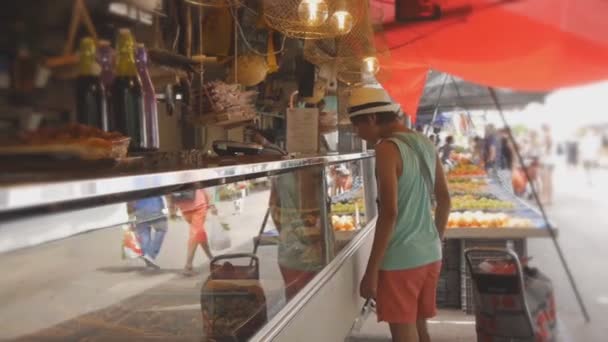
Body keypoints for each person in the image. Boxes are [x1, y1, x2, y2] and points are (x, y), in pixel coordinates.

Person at [348, 86, 451, 342]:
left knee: (404, 335)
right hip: (430, 254)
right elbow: (446, 200)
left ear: (372, 118)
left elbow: (390, 212)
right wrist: (432, 240)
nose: (356, 132)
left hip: (400, 261)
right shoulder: (425, 142)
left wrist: (371, 270)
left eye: (356, 125)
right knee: (420, 328)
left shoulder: (386, 149)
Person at [173, 189, 214, 275]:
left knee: (195, 233)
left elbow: (203, 185)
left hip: (198, 205)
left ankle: (188, 265)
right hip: (185, 208)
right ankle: (212, 259)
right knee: (199, 233)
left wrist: (211, 203)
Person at [129, 196, 169, 269]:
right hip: (155, 208)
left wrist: (130, 216)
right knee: (161, 229)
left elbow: (129, 199)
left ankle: (147, 257)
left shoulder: (133, 184)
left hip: (139, 210)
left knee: (144, 234)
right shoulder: (155, 184)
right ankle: (150, 255)